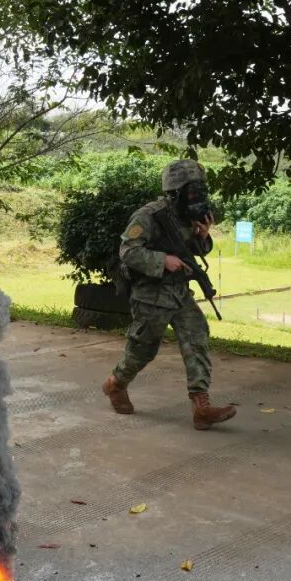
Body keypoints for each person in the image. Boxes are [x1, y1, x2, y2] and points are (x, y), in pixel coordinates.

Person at [101, 160, 237, 430]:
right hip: (151, 294)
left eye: (199, 190)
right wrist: (163, 260)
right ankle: (116, 384)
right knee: (144, 350)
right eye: (191, 190)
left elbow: (194, 251)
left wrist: (203, 235)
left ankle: (201, 407)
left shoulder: (190, 215)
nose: (196, 196)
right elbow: (127, 251)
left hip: (179, 292)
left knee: (196, 338)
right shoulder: (150, 216)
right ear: (175, 191)